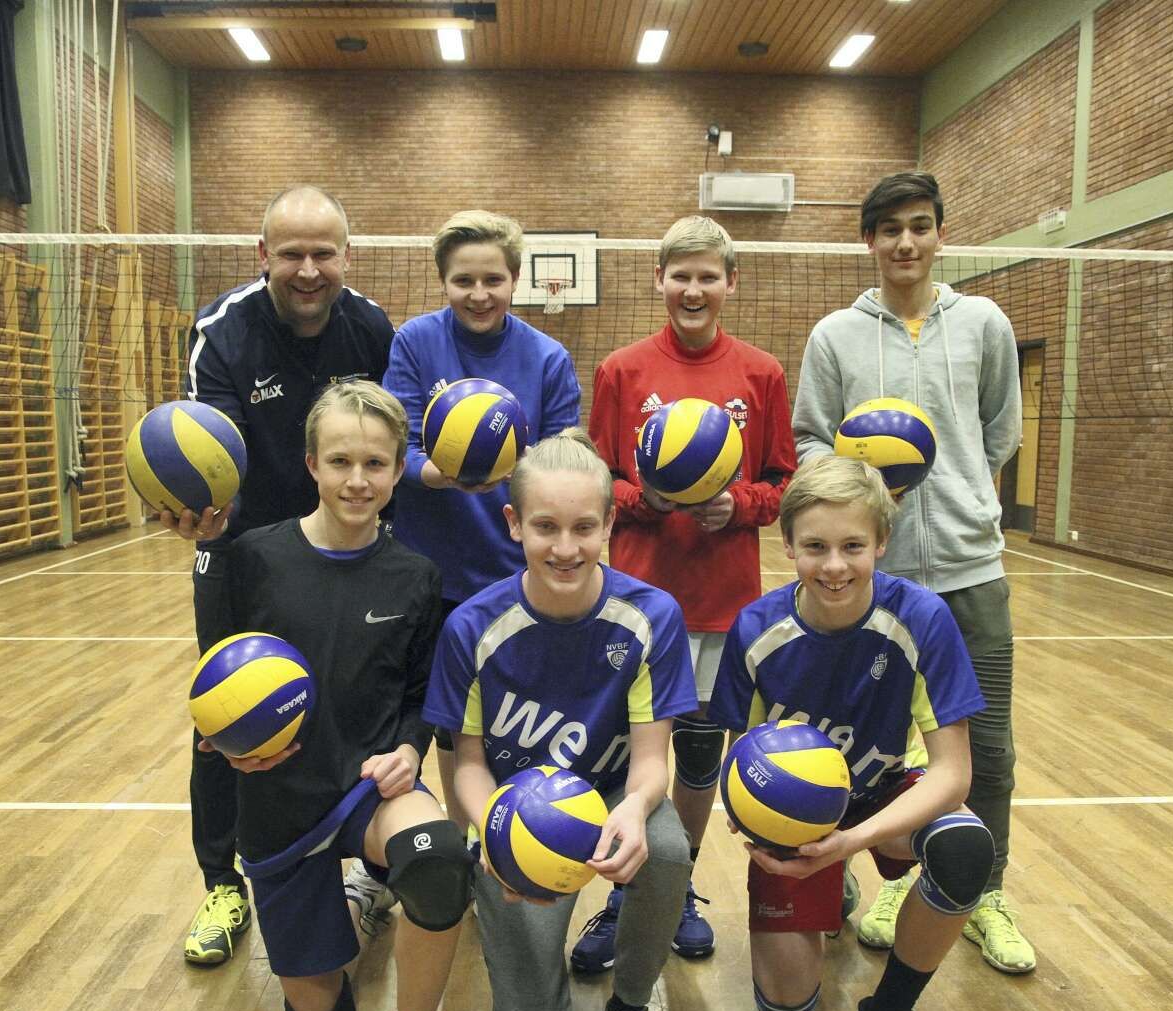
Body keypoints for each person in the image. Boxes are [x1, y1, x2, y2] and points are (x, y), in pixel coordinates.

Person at [210, 380, 470, 1011]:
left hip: (367, 791)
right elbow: (214, 677)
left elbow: (421, 694)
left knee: (438, 859)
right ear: (311, 465)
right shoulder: (254, 557)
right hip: (280, 798)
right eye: (340, 461)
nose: (358, 480)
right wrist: (230, 740)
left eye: (375, 463)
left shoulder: (415, 575)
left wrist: (408, 750)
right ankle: (358, 905)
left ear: (397, 471)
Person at [790, 171, 1033, 974]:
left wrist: (961, 495)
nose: (905, 242)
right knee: (874, 749)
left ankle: (984, 892)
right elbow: (809, 440)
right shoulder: (835, 336)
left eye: (920, 226)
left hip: (969, 570)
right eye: (890, 228)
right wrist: (863, 496)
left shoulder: (984, 323)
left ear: (939, 234)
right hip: (873, 580)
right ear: (868, 239)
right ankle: (896, 882)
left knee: (987, 748)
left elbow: (998, 431)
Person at [711, 456, 995, 1011]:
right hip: (797, 815)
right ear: (787, 545)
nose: (834, 565)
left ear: (881, 543)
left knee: (963, 848)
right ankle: (829, 883)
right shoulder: (756, 630)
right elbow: (739, 767)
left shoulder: (920, 618)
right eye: (814, 547)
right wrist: (776, 829)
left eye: (852, 546)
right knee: (787, 1009)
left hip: (884, 794)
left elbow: (953, 774)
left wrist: (850, 840)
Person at [423, 430, 694, 1011]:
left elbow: (651, 762)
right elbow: (467, 766)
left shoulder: (651, 616)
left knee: (666, 847)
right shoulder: (471, 627)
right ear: (514, 523)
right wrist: (496, 837)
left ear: (609, 523)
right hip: (516, 813)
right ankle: (508, 933)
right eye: (545, 527)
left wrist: (634, 810)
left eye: (583, 527)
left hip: (608, 793)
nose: (565, 548)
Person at [167, 185, 395, 967]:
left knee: (356, 700)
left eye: (322, 253)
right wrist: (199, 510)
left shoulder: (370, 328)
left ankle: (365, 866)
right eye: (290, 253)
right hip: (242, 548)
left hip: (346, 546)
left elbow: (385, 440)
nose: (307, 270)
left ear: (346, 256)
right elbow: (207, 450)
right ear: (261, 254)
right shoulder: (222, 332)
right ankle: (221, 883)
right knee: (223, 715)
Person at [581, 215, 796, 966]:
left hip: (719, 604)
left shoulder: (762, 373)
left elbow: (783, 482)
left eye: (708, 276)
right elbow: (598, 479)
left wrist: (737, 504)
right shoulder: (621, 371)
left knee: (699, 757)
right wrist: (647, 499)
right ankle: (622, 892)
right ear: (659, 281)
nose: (693, 289)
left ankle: (676, 889)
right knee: (626, 754)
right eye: (681, 275)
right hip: (635, 602)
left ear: (731, 282)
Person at [383, 210, 581, 844]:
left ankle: (528, 830)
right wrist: (443, 473)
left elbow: (563, 459)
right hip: (432, 572)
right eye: (463, 280)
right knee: (452, 722)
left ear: (515, 279)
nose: (478, 294)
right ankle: (460, 844)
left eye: (492, 280)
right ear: (443, 281)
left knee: (519, 714)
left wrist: (507, 472)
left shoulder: (547, 357)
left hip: (515, 571)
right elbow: (396, 447)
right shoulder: (415, 342)